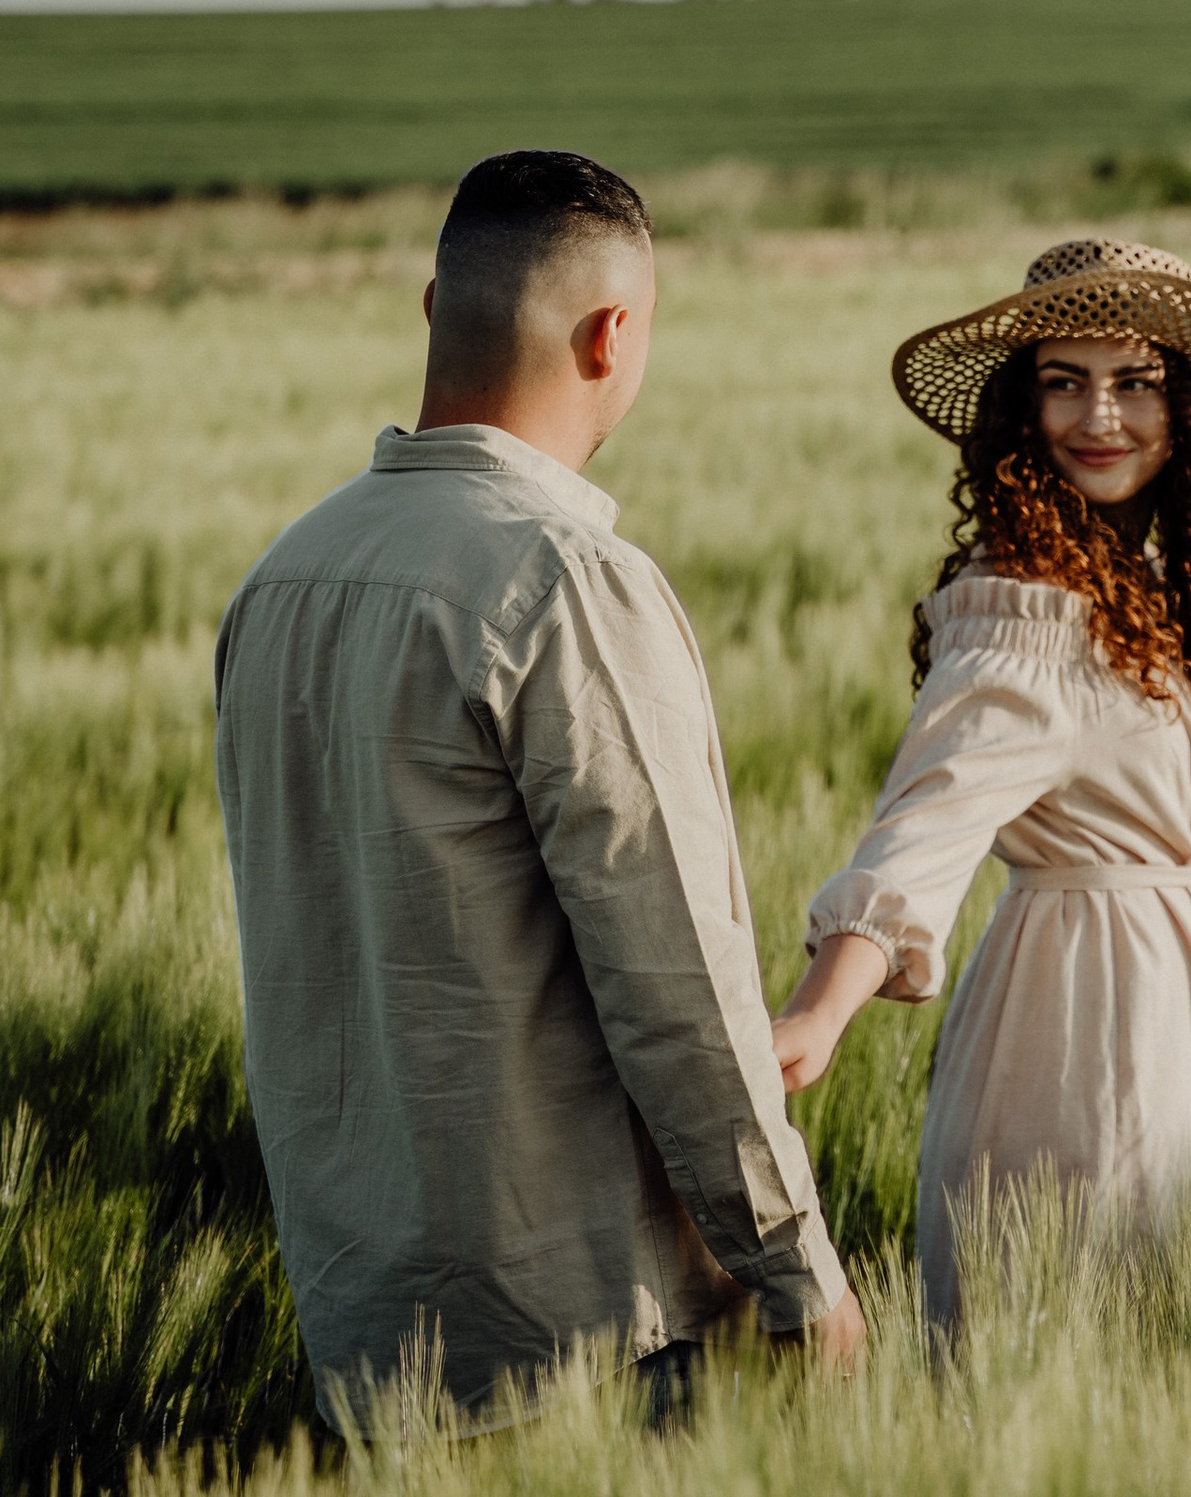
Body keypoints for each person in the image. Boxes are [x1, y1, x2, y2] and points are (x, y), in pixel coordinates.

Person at [214, 146, 860, 1426]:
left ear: (430, 311)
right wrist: (798, 1270)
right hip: (595, 1325)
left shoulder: (279, 579)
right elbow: (674, 976)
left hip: (368, 1323)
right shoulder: (564, 581)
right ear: (612, 335)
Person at [771, 236, 1191, 1326]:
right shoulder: (1025, 606)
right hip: (1084, 1019)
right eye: (1065, 383)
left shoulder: (1179, 591)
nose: (1099, 418)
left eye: (1135, 382)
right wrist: (820, 1012)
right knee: (1083, 1331)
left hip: (1186, 1016)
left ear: (1186, 408)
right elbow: (927, 822)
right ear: (1021, 407)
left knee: (1172, 1347)